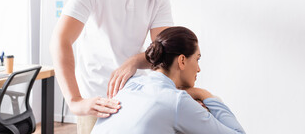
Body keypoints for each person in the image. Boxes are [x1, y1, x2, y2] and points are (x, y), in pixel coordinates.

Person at [50, 0, 186, 134]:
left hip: (134, 99)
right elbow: (61, 40)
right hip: (96, 101)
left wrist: (133, 62)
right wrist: (75, 101)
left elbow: (164, 52)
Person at [91, 26, 246, 134]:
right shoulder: (177, 101)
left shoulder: (131, 84)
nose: (198, 69)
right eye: (197, 59)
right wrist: (203, 93)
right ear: (182, 61)